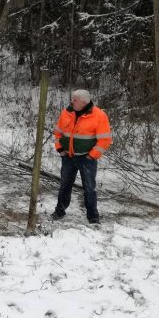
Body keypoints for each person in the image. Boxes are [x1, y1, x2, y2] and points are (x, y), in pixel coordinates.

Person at [51, 89, 112, 224]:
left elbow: (105, 140)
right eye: (72, 98)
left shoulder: (99, 116)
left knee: (89, 188)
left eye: (75, 99)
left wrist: (91, 156)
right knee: (64, 186)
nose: (71, 101)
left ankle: (93, 217)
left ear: (84, 102)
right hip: (68, 157)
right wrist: (60, 149)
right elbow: (58, 132)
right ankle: (59, 212)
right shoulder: (67, 112)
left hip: (87, 159)